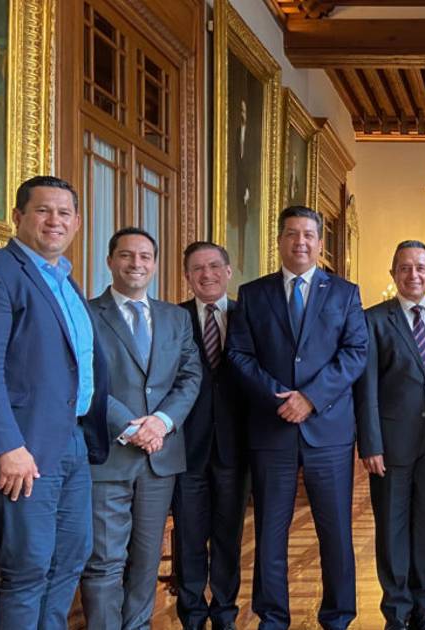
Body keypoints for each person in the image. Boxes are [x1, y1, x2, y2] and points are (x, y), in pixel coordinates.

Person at [0, 175, 109, 630]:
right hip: (23, 448)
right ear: (18, 216)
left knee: (70, 559)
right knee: (29, 568)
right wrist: (8, 447)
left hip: (73, 441)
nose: (55, 220)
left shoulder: (67, 282)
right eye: (42, 210)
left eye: (65, 212)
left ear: (77, 222)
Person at [226, 206, 368, 630]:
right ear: (280, 240)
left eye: (308, 234)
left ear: (320, 243)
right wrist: (279, 399)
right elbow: (239, 355)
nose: (300, 242)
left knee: (335, 531)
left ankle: (338, 616)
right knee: (270, 532)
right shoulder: (253, 294)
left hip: (329, 431)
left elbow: (355, 353)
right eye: (292, 233)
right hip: (272, 430)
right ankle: (272, 617)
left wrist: (310, 398)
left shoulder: (345, 293)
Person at [81, 227, 203, 629]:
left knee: (146, 560)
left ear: (155, 264)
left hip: (159, 456)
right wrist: (127, 426)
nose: (136, 263)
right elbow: (85, 378)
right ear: (110, 261)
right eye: (126, 255)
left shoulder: (176, 318)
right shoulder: (87, 313)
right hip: (108, 456)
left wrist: (161, 423)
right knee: (104, 562)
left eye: (145, 256)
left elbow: (190, 376)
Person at [355, 240, 425, 630]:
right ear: (393, 274)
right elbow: (365, 387)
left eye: (420, 267)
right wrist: (370, 443)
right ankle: (397, 611)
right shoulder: (373, 320)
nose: (412, 274)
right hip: (390, 446)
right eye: (404, 268)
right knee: (391, 530)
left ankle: (424, 607)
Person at [172, 241, 248, 630]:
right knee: (188, 536)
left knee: (228, 536)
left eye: (215, 266)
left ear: (228, 271)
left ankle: (224, 611)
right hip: (187, 447)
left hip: (236, 446)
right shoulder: (174, 319)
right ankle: (192, 614)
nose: (207, 274)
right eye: (198, 268)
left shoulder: (247, 316)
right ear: (187, 276)